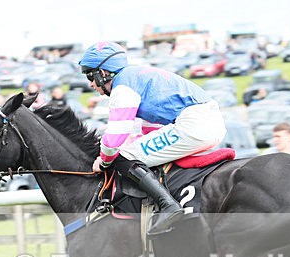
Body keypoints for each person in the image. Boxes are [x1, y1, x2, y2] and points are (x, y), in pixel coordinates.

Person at [79, 41, 226, 235]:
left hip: (195, 124)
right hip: (205, 121)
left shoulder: (122, 87)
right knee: (134, 152)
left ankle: (168, 205)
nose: (90, 83)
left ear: (103, 73)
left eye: (91, 75)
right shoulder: (137, 76)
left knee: (123, 156)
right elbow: (150, 129)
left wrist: (104, 160)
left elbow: (114, 137)